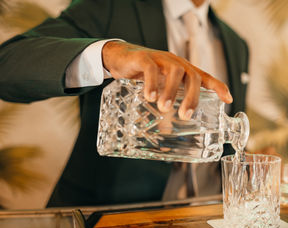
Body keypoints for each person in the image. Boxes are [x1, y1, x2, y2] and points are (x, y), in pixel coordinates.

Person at [0, 0, 249, 207]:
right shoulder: (110, 6)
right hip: (105, 226)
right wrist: (109, 54)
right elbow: (7, 67)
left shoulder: (237, 44)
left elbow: (221, 138)